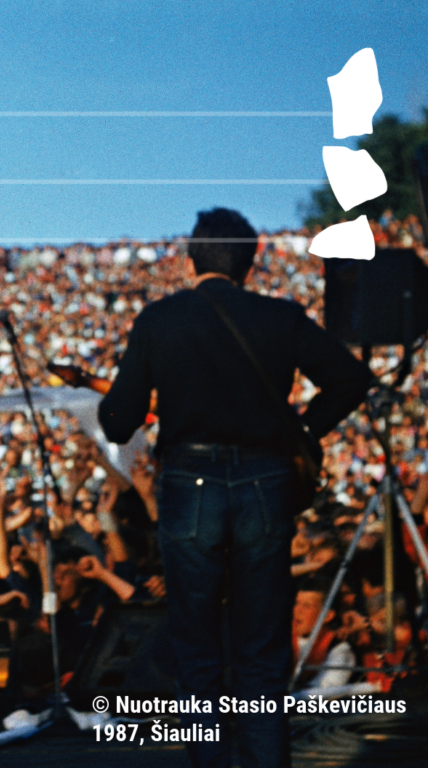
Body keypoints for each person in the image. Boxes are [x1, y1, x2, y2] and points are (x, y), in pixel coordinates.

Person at [98, 208, 372, 768]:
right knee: (263, 646)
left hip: (189, 481)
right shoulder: (281, 316)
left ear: (190, 257)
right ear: (249, 262)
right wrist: (304, 427)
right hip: (266, 482)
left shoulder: (160, 319)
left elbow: (118, 422)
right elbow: (350, 378)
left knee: (196, 645)